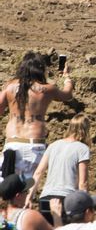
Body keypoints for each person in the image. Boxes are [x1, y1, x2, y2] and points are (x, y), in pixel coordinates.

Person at [0, 52, 74, 180]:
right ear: (41, 69)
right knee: (27, 191)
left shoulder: (9, 86)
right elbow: (67, 94)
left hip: (12, 143)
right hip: (34, 145)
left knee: (6, 189)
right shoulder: (47, 89)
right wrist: (67, 78)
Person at [28, 114, 91, 224]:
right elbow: (83, 183)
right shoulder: (83, 149)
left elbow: (38, 172)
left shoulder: (53, 145)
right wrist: (86, 205)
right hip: (67, 200)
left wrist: (29, 197)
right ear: (85, 130)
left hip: (46, 198)